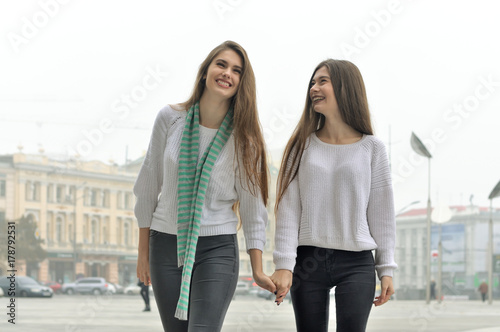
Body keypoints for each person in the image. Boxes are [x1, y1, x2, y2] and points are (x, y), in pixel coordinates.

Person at [134, 40, 275, 332]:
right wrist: (143, 253)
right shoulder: (170, 118)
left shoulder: (245, 138)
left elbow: (252, 209)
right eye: (221, 64)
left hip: (217, 247)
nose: (227, 73)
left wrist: (258, 268)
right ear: (205, 72)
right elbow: (147, 187)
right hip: (165, 243)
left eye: (237, 70)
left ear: (241, 83)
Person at [271, 59, 397, 332]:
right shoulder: (301, 146)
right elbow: (289, 210)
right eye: (312, 82)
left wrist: (385, 269)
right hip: (307, 261)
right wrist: (284, 264)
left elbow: (382, 214)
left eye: (322, 81)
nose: (314, 88)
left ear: (345, 87)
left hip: (356, 262)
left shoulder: (372, 148)